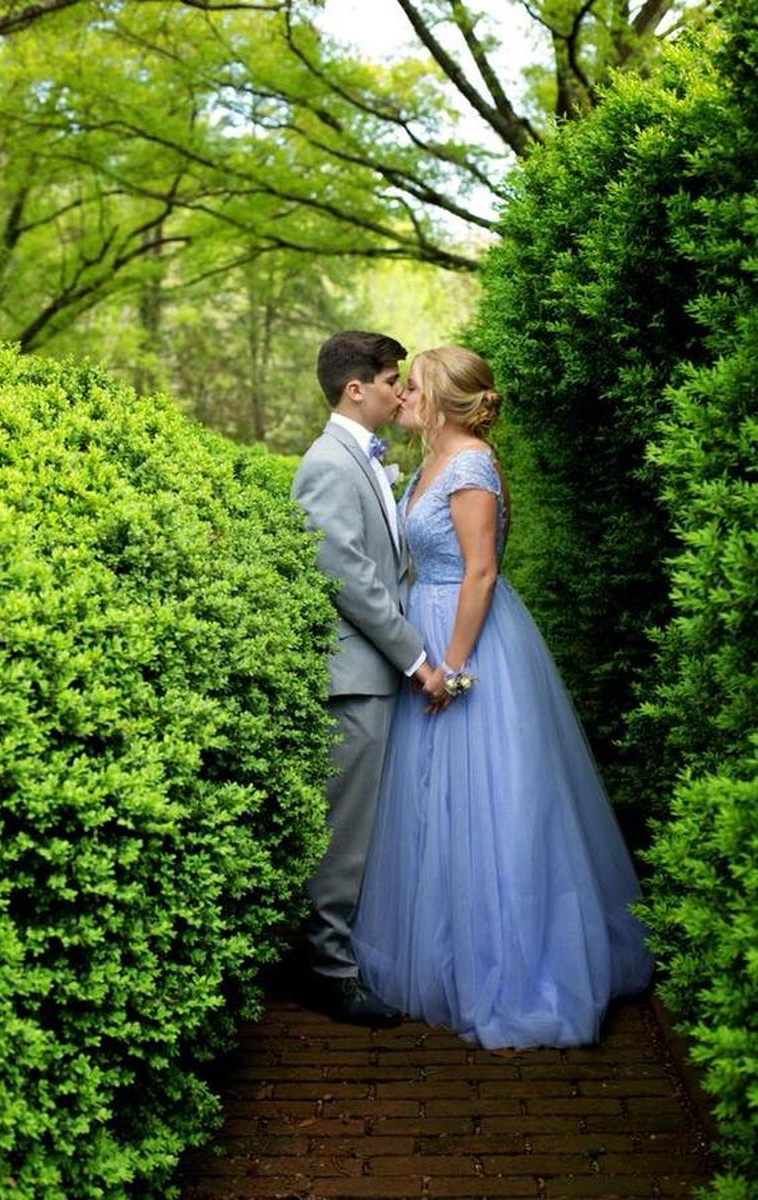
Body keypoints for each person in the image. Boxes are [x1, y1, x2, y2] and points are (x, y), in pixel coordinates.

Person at [351, 345, 653, 1048]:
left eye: (414, 388)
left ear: (445, 401)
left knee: (494, 802)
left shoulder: (471, 465)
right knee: (430, 805)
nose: (404, 399)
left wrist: (452, 667)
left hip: (471, 643)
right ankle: (442, 951)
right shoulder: (429, 460)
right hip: (425, 636)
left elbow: (481, 573)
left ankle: (515, 970)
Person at [292, 330, 435, 1027]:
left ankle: (341, 955)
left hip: (374, 673)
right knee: (342, 832)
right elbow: (344, 573)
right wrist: (415, 654)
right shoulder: (327, 462)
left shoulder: (364, 458)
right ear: (357, 389)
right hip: (356, 674)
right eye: (390, 382)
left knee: (363, 828)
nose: (398, 391)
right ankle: (328, 971)